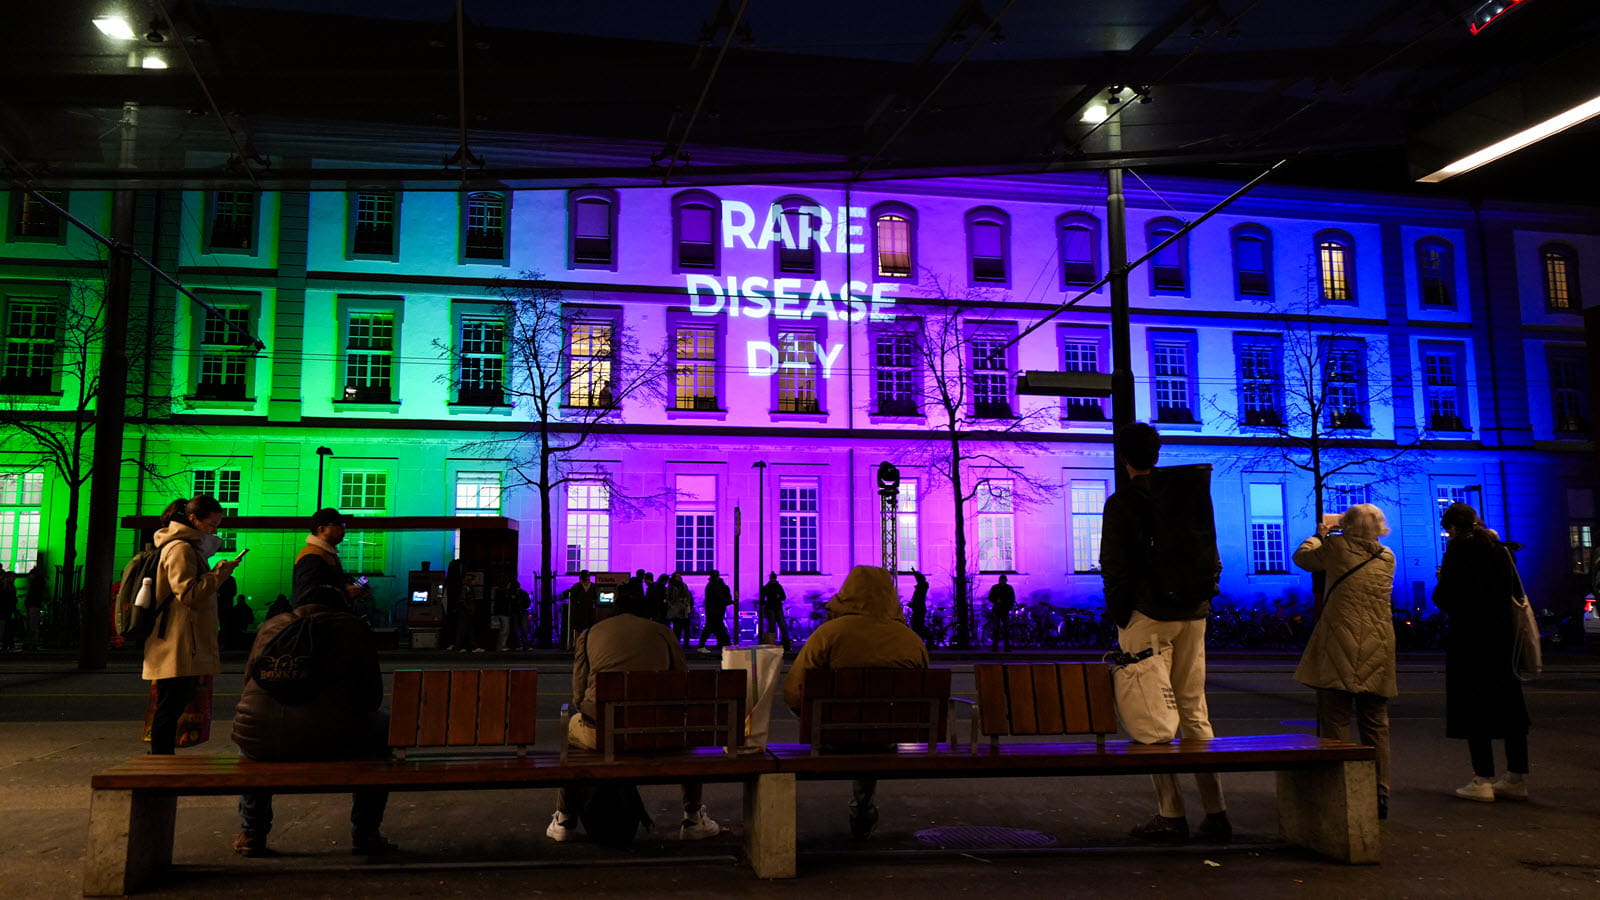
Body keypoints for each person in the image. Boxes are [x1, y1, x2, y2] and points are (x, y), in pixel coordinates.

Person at [230, 513, 395, 857]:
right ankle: (365, 833)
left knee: (251, 743)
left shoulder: (271, 629)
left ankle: (252, 831)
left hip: (266, 737)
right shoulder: (352, 630)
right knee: (381, 735)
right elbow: (371, 696)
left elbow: (249, 682)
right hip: (336, 736)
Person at [1099, 423, 1230, 843]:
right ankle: (1216, 810)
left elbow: (1114, 565)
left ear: (1125, 459)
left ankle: (1171, 814)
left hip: (1147, 616)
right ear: (1157, 454)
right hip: (1193, 613)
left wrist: (1122, 611)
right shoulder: (1190, 495)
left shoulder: (1122, 504)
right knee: (1194, 709)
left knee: (1153, 714)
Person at [548, 581, 720, 843]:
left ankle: (564, 817)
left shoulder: (590, 633)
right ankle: (693, 816)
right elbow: (683, 680)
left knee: (572, 729)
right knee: (689, 736)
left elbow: (578, 696)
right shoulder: (662, 632)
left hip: (605, 736)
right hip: (660, 733)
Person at [783, 565, 929, 838]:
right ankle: (863, 805)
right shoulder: (910, 640)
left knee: (852, 726)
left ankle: (859, 804)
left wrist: (813, 720)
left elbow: (793, 690)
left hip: (832, 735)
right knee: (871, 728)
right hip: (886, 735)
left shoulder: (829, 634)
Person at [1291, 503, 1398, 820]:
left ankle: (1341, 786)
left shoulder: (1335, 547)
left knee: (1335, 719)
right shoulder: (1387, 556)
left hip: (1341, 643)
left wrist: (1319, 535)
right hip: (1378, 645)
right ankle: (1380, 794)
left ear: (1347, 525)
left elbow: (1303, 558)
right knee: (1376, 725)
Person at [1433, 502, 1532, 802]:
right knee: (1510, 707)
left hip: (1470, 639)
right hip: (1503, 639)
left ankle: (1483, 779)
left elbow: (1446, 597)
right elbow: (1516, 592)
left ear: (1452, 527)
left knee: (1475, 708)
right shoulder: (1501, 550)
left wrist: (1442, 582)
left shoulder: (1459, 551)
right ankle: (1516, 776)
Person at [143, 496, 240, 755]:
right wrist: (220, 573)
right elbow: (187, 593)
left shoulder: (186, 547)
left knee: (172, 703)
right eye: (212, 524)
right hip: (178, 639)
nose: (215, 530)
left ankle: (162, 757)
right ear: (194, 519)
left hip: (181, 638)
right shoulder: (181, 549)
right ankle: (161, 759)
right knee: (170, 704)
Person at [293, 509, 364, 611]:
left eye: (343, 525)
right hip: (318, 620)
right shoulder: (312, 555)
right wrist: (344, 592)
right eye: (338, 525)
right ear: (321, 529)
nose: (343, 529)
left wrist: (349, 585)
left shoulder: (326, 553)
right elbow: (308, 594)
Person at [698, 571, 732, 650]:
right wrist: (728, 601)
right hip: (716, 610)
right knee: (715, 627)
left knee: (713, 627)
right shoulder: (717, 586)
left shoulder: (711, 585)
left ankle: (721, 643)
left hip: (712, 610)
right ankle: (725, 643)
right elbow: (720, 597)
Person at [566, 570, 600, 646]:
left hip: (589, 610)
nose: (586, 581)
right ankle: (578, 643)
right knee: (578, 627)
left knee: (588, 626)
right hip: (580, 610)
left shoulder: (592, 586)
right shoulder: (577, 587)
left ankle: (586, 643)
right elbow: (573, 598)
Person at [759, 572, 790, 650]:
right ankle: (784, 641)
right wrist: (778, 598)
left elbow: (762, 599)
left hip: (771, 607)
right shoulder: (778, 587)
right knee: (781, 625)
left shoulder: (766, 587)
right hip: (777, 607)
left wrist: (766, 603)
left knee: (772, 625)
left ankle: (772, 641)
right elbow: (783, 597)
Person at [986, 574, 1015, 651]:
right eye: (1002, 580)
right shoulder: (1008, 588)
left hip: (1000, 609)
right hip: (1000, 610)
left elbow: (1012, 599)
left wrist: (997, 601)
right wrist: (1008, 605)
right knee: (1000, 628)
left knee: (1001, 628)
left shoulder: (997, 588)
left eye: (1003, 580)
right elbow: (1012, 599)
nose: (1002, 582)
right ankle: (1002, 646)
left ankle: (998, 646)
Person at [23, 563, 47, 650]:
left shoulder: (34, 585)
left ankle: (32, 642)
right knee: (33, 624)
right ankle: (32, 642)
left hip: (33, 605)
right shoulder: (39, 585)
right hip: (34, 605)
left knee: (32, 624)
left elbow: (32, 596)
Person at [665, 572, 693, 646]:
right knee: (677, 627)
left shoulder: (684, 585)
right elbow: (669, 598)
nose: (679, 577)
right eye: (677, 576)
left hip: (684, 608)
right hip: (675, 609)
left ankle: (686, 643)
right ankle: (676, 642)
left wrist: (686, 602)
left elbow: (688, 596)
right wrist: (672, 605)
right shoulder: (671, 586)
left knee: (686, 627)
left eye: (680, 576)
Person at [505, 579, 531, 651]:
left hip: (516, 612)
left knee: (515, 629)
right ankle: (525, 645)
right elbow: (528, 602)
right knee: (523, 629)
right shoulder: (523, 593)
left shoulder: (511, 593)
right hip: (522, 612)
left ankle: (517, 645)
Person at [907, 571, 929, 643]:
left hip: (919, 609)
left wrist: (912, 604)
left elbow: (918, 599)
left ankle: (927, 637)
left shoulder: (922, 587)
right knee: (918, 625)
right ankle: (925, 638)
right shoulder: (922, 586)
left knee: (917, 625)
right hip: (919, 608)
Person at [0, 564, 17, 652]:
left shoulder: (6, 586)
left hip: (5, 609)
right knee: (6, 627)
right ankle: (6, 643)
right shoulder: (9, 587)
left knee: (5, 627)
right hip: (6, 609)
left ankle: (5, 643)